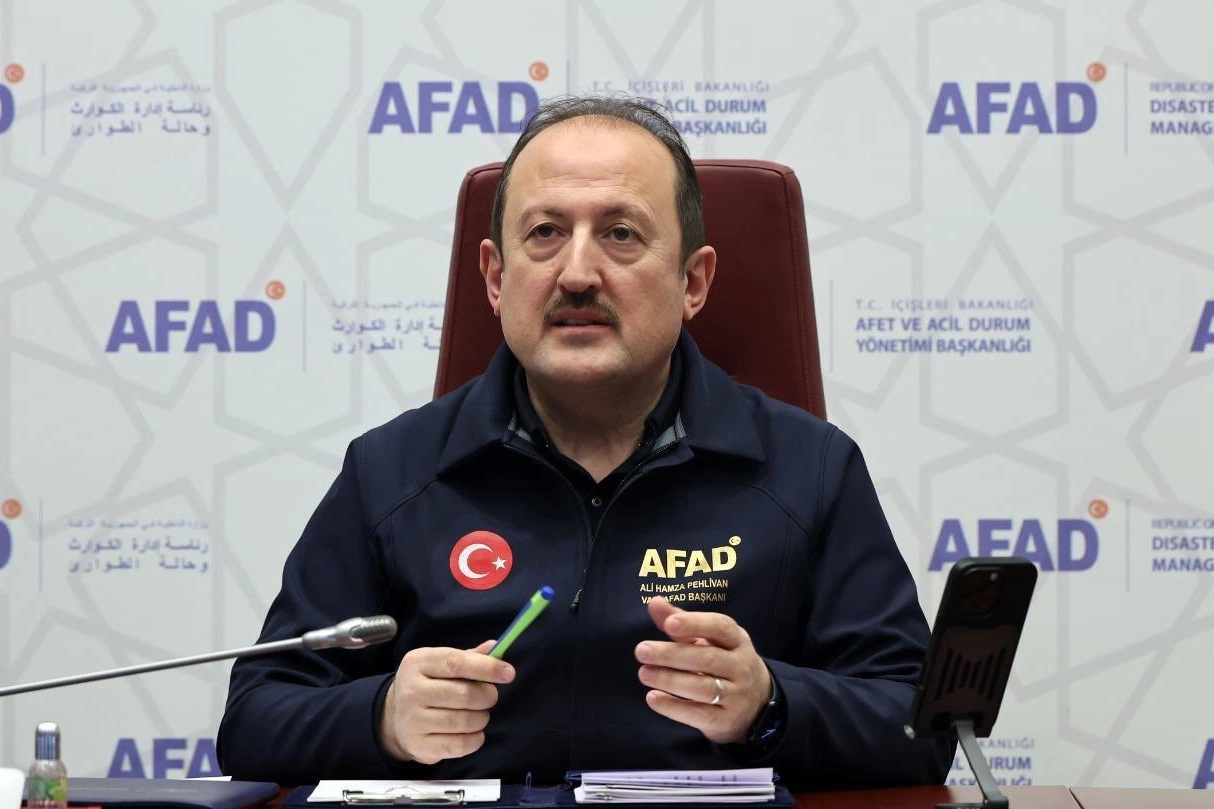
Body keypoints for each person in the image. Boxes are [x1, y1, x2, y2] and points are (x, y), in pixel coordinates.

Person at [217, 96, 954, 788]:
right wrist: (383, 718)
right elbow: (255, 719)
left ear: (693, 282)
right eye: (544, 233)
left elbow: (921, 727)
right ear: (495, 277)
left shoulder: (810, 469)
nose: (575, 273)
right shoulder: (392, 471)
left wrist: (770, 703)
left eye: (620, 234)